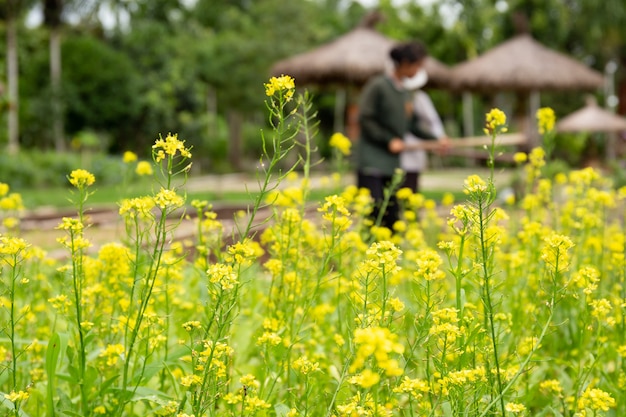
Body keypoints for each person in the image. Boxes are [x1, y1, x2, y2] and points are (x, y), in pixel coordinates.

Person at [356, 40, 440, 231]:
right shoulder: (378, 86)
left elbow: (411, 124)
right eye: (417, 65)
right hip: (373, 161)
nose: (419, 70)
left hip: (392, 164)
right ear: (404, 63)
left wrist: (436, 140)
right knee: (374, 211)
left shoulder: (404, 93)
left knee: (392, 213)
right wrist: (389, 139)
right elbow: (365, 118)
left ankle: (390, 255)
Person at [400, 69, 449, 193]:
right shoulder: (394, 97)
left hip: (413, 148)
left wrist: (439, 138)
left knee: (409, 186)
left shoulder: (419, 97)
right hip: (394, 150)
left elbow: (432, 121)